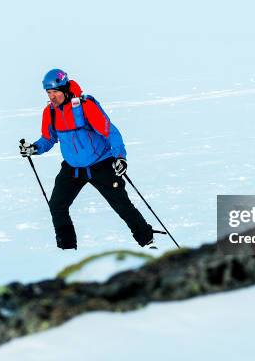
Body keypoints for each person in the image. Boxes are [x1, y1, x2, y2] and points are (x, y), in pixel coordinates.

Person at [20, 68, 155, 250]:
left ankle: (147, 241)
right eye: (49, 92)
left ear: (66, 89)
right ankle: (67, 248)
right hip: (73, 168)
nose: (52, 97)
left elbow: (111, 132)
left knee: (122, 205)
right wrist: (34, 148)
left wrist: (120, 157)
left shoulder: (85, 106)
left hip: (101, 164)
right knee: (57, 206)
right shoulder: (50, 112)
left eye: (55, 92)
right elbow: (48, 138)